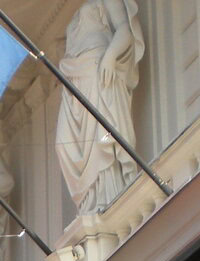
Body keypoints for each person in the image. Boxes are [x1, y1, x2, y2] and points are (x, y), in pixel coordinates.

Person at [55, 0, 145, 215]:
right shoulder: (80, 10)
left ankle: (106, 196)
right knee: (62, 144)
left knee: (100, 136)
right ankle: (89, 201)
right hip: (75, 75)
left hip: (97, 69)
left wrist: (110, 58)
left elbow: (125, 29)